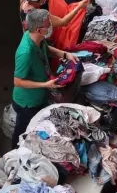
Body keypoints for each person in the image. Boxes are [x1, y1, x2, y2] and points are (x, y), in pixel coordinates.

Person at [11, 9, 79, 148]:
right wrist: (45, 84)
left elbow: (46, 49)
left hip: (39, 96)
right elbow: (17, 81)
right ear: (39, 30)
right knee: (22, 133)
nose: (51, 27)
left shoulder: (36, 38)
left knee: (37, 128)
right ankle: (13, 156)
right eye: (48, 25)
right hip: (27, 103)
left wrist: (65, 55)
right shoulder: (25, 53)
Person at [19, 0, 87, 30]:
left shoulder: (24, 3)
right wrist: (78, 7)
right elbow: (63, 22)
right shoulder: (40, 15)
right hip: (36, 42)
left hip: (27, 36)